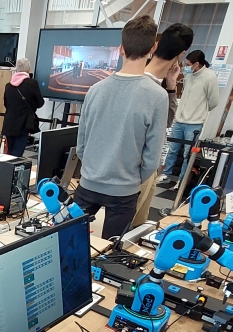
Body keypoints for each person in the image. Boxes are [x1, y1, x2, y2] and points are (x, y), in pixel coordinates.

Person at [75, 15, 168, 240]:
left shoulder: (95, 90)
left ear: (121, 49)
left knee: (70, 244)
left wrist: (93, 170)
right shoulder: (158, 96)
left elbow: (81, 145)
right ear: (152, 49)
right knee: (111, 252)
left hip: (88, 183)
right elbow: (152, 157)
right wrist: (132, 180)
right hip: (125, 189)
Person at [132, 23, 194, 226]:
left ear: (156, 46)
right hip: (137, 169)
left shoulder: (157, 87)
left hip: (147, 167)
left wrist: (171, 86)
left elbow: (165, 121)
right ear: (181, 54)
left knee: (137, 223)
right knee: (127, 226)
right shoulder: (147, 87)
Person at [158, 50, 221, 188]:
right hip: (179, 120)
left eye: (188, 64)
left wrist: (200, 111)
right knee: (172, 149)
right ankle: (166, 174)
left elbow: (214, 101)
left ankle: (182, 180)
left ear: (196, 64)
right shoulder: (189, 76)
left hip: (194, 123)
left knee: (188, 154)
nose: (186, 67)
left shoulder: (209, 77)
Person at [1, 58, 45, 157]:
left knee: (8, 153)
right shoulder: (32, 83)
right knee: (17, 154)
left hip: (9, 124)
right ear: (28, 69)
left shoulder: (8, 86)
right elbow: (40, 103)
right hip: (23, 124)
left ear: (16, 69)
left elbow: (6, 104)